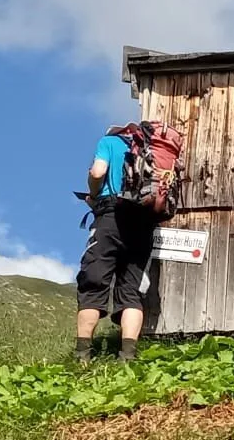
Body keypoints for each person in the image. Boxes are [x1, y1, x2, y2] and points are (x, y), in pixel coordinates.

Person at [75, 126, 156, 363]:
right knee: (131, 290)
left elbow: (98, 173)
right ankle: (127, 356)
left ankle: (82, 355)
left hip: (110, 216)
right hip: (142, 222)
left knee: (93, 282)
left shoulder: (109, 142)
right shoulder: (150, 147)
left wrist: (93, 194)